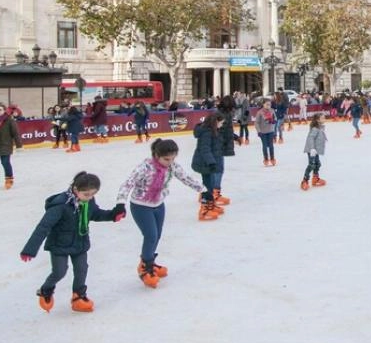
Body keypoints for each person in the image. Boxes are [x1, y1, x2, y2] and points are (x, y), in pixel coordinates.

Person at [20, 171, 125, 313]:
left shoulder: (88, 202)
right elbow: (43, 226)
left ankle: (78, 297)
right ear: (76, 190)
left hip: (79, 243)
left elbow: (95, 213)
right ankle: (46, 289)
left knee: (82, 269)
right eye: (86, 194)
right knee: (59, 272)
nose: (90, 198)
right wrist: (29, 249)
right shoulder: (60, 205)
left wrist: (112, 215)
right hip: (59, 244)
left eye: (93, 194)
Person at [116, 139, 206, 287]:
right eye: (166, 159)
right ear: (156, 155)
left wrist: (203, 190)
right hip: (141, 206)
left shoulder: (172, 167)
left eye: (172, 158)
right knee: (150, 235)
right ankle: (145, 267)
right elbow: (128, 183)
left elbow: (185, 178)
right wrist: (120, 203)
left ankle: (150, 260)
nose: (170, 162)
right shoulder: (145, 167)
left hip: (158, 204)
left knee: (157, 235)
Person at [190, 112, 226, 221]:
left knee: (209, 186)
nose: (222, 125)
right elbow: (205, 149)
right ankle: (204, 211)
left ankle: (211, 205)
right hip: (204, 163)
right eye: (221, 123)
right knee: (207, 187)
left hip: (207, 163)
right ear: (215, 122)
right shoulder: (207, 133)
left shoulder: (213, 131)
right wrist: (211, 162)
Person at [0, 102, 23, 191]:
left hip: (5, 144)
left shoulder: (9, 120)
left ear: (4, 111)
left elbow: (15, 133)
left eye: (0, 110)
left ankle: (9, 179)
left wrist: (19, 145)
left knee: (5, 162)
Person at [301, 113, 328, 190]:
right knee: (312, 164)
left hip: (315, 150)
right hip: (311, 149)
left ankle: (315, 178)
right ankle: (304, 180)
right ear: (318, 120)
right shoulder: (315, 129)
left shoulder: (320, 127)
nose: (324, 119)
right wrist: (312, 148)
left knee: (317, 164)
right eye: (322, 118)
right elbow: (310, 138)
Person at [255, 99, 278, 166]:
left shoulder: (272, 110)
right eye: (267, 104)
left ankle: (272, 158)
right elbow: (256, 123)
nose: (269, 106)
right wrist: (259, 131)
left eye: (270, 104)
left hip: (270, 131)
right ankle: (266, 158)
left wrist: (274, 121)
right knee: (264, 145)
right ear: (263, 104)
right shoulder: (260, 112)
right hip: (263, 132)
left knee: (271, 145)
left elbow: (275, 118)